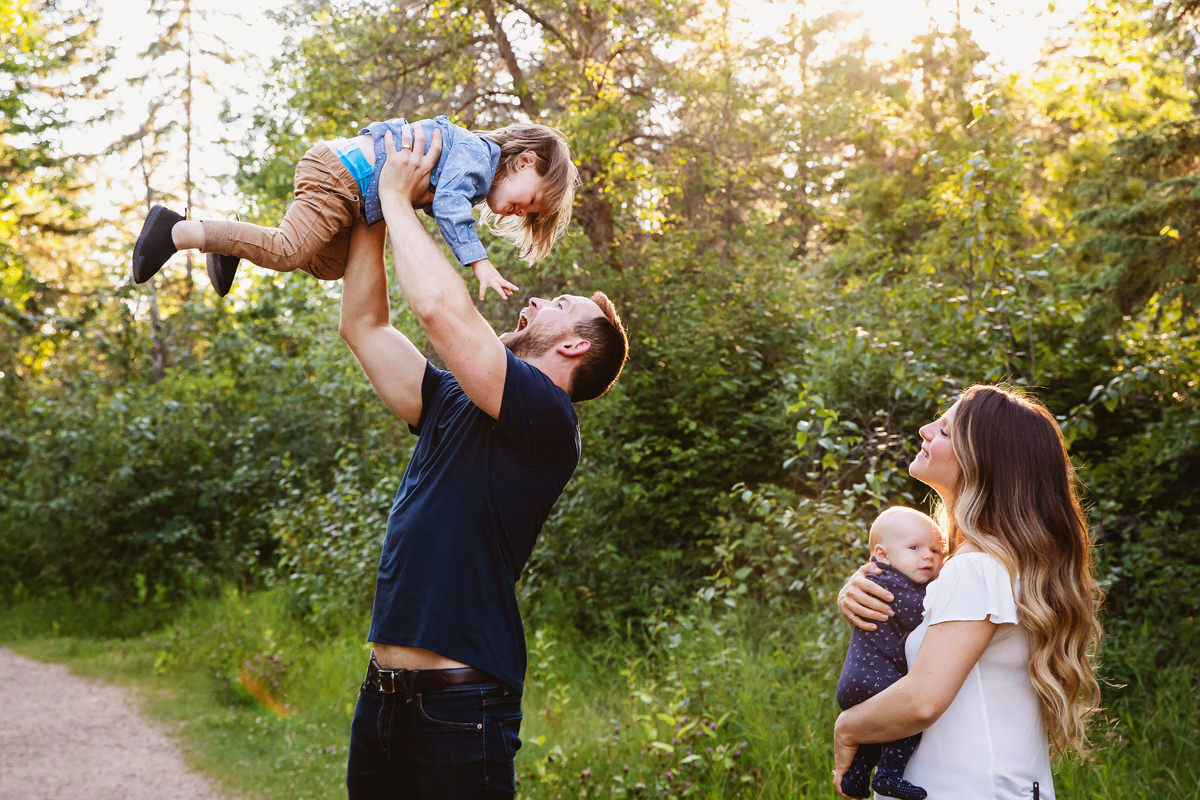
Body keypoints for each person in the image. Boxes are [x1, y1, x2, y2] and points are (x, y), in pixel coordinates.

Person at [335, 123, 626, 799]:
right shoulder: (453, 400)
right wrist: (372, 209)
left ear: (575, 349)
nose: (532, 299)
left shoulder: (548, 422)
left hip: (461, 709)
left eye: (557, 305)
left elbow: (439, 309)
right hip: (383, 695)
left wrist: (402, 201)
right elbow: (364, 327)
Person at [832, 385, 1103, 800]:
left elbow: (921, 701)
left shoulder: (975, 568)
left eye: (943, 431)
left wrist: (847, 728)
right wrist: (864, 583)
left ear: (982, 461)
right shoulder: (984, 561)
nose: (924, 430)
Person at [131, 116, 577, 299]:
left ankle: (232, 245)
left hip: (352, 187)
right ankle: (175, 231)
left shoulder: (472, 166)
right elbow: (448, 202)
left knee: (329, 265)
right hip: (342, 174)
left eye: (529, 217)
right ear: (524, 162)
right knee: (288, 250)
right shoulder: (479, 158)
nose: (521, 212)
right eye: (532, 201)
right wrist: (478, 263)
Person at [835, 506, 943, 800]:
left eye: (936, 550)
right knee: (904, 721)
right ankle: (888, 775)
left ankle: (855, 780)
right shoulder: (890, 585)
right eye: (915, 547)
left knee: (874, 732)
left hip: (857, 681)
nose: (929, 556)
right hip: (875, 680)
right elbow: (921, 612)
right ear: (882, 555)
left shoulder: (878, 578)